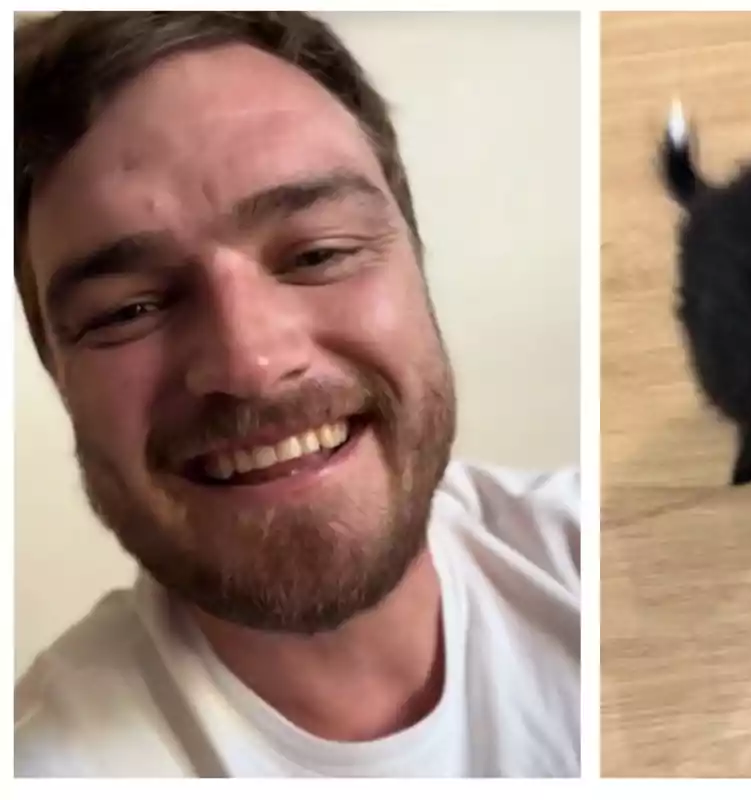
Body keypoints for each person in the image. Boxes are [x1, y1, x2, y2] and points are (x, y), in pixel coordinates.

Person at [13, 11, 580, 778]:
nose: (250, 363)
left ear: (417, 265)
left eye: (317, 254)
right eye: (128, 310)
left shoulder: (600, 561)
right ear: (58, 372)